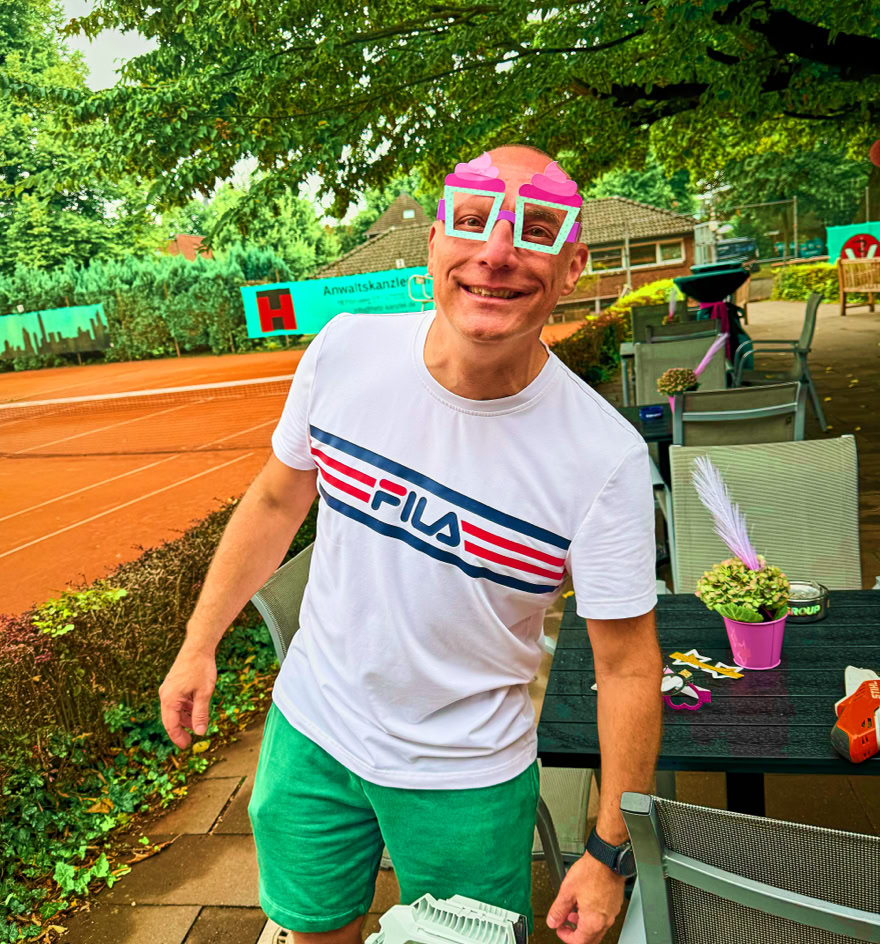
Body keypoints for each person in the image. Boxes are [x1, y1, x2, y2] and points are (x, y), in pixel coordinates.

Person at [159, 144, 663, 944]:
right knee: (311, 930)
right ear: (432, 242)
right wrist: (199, 642)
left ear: (572, 269)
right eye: (470, 222)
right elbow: (276, 499)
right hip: (311, 732)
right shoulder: (344, 351)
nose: (495, 253)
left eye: (533, 231)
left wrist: (607, 849)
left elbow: (629, 664)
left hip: (465, 774)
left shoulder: (603, 459)